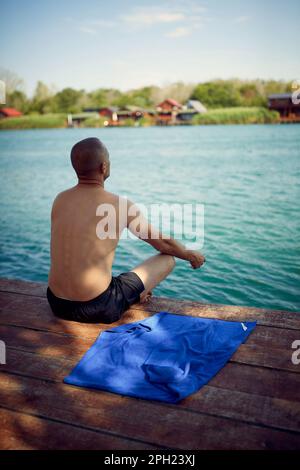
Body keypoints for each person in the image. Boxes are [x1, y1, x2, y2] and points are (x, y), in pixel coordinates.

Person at [47, 137, 206, 323]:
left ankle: (131, 295)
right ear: (103, 167)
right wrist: (189, 255)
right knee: (167, 259)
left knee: (108, 276)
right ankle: (134, 297)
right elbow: (163, 244)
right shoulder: (119, 205)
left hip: (57, 304)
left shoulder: (60, 200)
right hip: (99, 306)